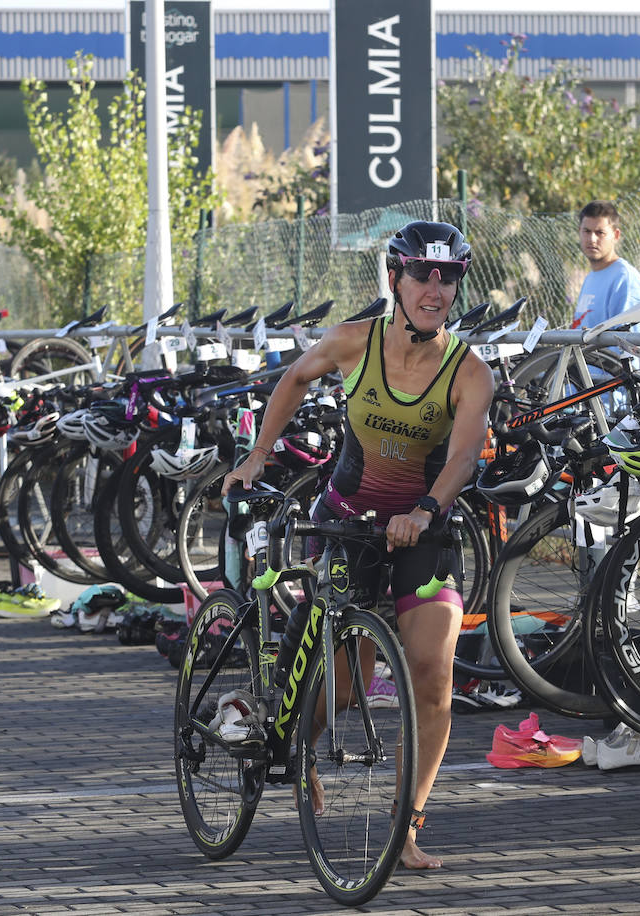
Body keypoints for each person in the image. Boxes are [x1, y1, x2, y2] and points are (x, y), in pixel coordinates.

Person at [223, 220, 494, 870]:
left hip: (425, 532)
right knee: (346, 688)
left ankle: (407, 822)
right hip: (348, 526)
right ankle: (296, 749)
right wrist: (258, 456)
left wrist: (427, 508)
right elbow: (293, 379)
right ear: (396, 278)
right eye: (424, 274)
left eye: (449, 276)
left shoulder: (469, 372)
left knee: (433, 675)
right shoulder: (352, 342)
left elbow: (462, 460)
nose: (436, 288)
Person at [573, 200, 640, 332]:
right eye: (586, 231)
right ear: (579, 232)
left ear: (616, 235)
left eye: (600, 233)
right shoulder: (591, 277)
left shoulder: (624, 279)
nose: (592, 239)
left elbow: (629, 347)